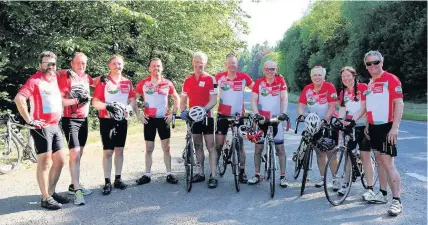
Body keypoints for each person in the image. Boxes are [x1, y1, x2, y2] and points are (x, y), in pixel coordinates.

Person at [14, 51, 69, 210]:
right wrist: (29, 120)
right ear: (40, 65)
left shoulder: (54, 79)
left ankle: (51, 192)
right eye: (47, 63)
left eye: (53, 63)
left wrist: (68, 71)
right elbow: (19, 99)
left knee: (60, 161)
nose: (51, 66)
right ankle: (45, 198)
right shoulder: (34, 80)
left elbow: (62, 73)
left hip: (55, 125)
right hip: (41, 127)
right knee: (45, 163)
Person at [352, 50, 403, 216]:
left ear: (382, 63)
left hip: (387, 127)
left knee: (388, 163)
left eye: (376, 62)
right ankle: (382, 194)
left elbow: (399, 104)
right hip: (373, 127)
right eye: (369, 64)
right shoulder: (370, 84)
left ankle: (397, 201)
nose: (373, 66)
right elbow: (367, 107)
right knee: (380, 161)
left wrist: (395, 128)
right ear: (366, 67)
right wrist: (364, 122)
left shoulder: (391, 79)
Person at [92, 55, 137, 195]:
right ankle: (107, 181)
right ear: (109, 66)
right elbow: (95, 102)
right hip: (106, 119)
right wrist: (107, 106)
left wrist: (129, 108)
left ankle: (118, 179)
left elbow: (133, 99)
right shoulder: (103, 81)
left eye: (120, 64)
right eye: (114, 64)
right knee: (108, 151)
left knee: (119, 150)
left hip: (122, 119)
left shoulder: (127, 82)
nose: (117, 66)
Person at [134, 58, 180, 185]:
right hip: (149, 119)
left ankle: (169, 174)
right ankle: (147, 174)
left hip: (163, 119)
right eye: (153, 66)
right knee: (149, 148)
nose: (156, 68)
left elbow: (177, 98)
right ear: (149, 68)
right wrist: (138, 114)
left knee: (166, 147)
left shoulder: (167, 83)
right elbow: (133, 98)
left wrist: (173, 113)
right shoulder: (143, 83)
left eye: (158, 66)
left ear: (162, 68)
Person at [57, 52, 94, 205]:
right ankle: (78, 191)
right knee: (75, 153)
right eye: (78, 63)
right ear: (71, 63)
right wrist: (78, 100)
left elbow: (96, 81)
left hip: (84, 119)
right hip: (70, 119)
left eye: (84, 63)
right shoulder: (66, 77)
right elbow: (61, 102)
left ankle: (73, 185)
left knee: (80, 154)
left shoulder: (86, 77)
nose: (81, 66)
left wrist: (104, 78)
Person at [180, 51, 218, 188]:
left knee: (210, 146)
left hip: (206, 117)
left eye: (201, 62)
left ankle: (213, 175)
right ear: (193, 63)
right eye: (196, 61)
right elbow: (183, 100)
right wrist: (183, 111)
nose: (198, 64)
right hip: (193, 119)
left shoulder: (210, 79)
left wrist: (203, 110)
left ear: (205, 63)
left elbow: (214, 100)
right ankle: (200, 173)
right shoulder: (187, 80)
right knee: (197, 145)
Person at [248, 60, 289, 188]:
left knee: (280, 148)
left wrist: (284, 113)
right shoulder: (259, 82)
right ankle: (257, 174)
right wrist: (256, 113)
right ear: (263, 70)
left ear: (276, 70)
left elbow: (284, 98)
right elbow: (253, 99)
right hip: (261, 119)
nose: (270, 71)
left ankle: (283, 176)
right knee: (258, 148)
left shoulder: (280, 81)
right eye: (267, 69)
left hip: (276, 119)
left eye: (273, 69)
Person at [297, 66, 339, 188]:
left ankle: (335, 179)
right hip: (313, 125)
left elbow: (332, 106)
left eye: (319, 75)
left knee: (331, 152)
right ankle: (323, 178)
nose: (317, 77)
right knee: (320, 152)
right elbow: (301, 105)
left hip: (328, 123)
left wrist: (325, 120)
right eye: (314, 75)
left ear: (324, 77)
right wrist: (301, 116)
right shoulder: (307, 89)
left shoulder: (329, 87)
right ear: (311, 77)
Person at [215, 53, 254, 183]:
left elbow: (257, 89)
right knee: (219, 145)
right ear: (225, 64)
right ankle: (213, 172)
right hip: (222, 115)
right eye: (229, 63)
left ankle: (242, 171)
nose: (232, 65)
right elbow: (209, 90)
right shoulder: (219, 77)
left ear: (237, 64)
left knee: (240, 146)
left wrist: (276, 80)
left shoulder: (244, 77)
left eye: (234, 63)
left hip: (239, 115)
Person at [337, 66, 374, 197]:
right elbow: (342, 111)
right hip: (350, 127)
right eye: (343, 77)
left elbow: (364, 108)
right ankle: (345, 183)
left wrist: (354, 119)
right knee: (348, 155)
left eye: (348, 76)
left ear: (354, 76)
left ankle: (370, 188)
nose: (346, 79)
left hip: (364, 126)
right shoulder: (343, 93)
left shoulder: (363, 87)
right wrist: (340, 121)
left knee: (365, 157)